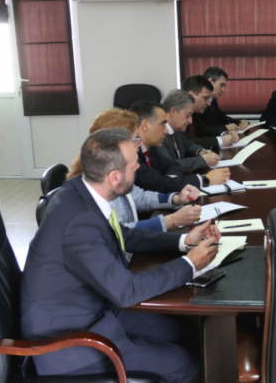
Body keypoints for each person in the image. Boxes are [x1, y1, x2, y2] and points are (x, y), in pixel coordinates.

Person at [21, 128, 221, 382]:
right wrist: (190, 264)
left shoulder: (82, 191)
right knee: (184, 364)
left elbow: (123, 236)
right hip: (69, 342)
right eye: (134, 165)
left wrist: (184, 241)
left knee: (185, 330)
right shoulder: (79, 222)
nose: (138, 168)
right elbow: (125, 291)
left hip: (96, 308)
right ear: (115, 177)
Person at [66, 107, 202, 231]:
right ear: (115, 144)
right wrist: (172, 220)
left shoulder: (115, 168)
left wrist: (176, 199)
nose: (140, 143)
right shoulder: (97, 184)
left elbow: (139, 197)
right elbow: (119, 233)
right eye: (136, 138)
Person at [129, 100, 230, 194]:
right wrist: (205, 179)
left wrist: (172, 182)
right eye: (162, 124)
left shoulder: (149, 148)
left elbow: (173, 165)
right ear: (145, 125)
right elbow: (158, 184)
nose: (166, 131)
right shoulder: (130, 155)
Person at [156, 89, 221, 172]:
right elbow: (169, 165)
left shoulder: (177, 130)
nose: (190, 121)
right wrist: (202, 160)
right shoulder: (157, 135)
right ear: (173, 111)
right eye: (187, 115)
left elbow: (187, 145)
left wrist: (201, 152)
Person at [183, 75, 240, 143]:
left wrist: (223, 134)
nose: (209, 103)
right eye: (205, 98)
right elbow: (186, 144)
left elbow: (203, 129)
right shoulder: (177, 114)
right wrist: (220, 141)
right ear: (191, 96)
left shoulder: (194, 113)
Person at [199, 66, 250, 133]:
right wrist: (225, 128)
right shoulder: (197, 102)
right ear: (210, 81)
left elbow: (224, 119)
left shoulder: (212, 101)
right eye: (221, 85)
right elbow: (202, 130)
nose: (223, 90)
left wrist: (240, 123)